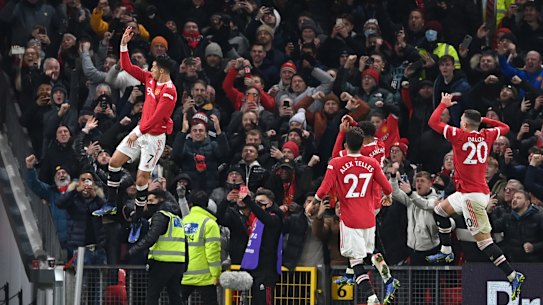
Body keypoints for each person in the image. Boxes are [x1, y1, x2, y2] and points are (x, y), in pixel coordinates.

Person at [426, 93, 525, 301]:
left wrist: (443, 104)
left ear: (464, 123)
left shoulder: (458, 135)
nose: (459, 122)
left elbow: (433, 122)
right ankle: (446, 250)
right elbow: (505, 128)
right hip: (465, 193)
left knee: (483, 242)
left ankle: (513, 276)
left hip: (473, 197)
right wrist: (485, 122)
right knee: (440, 211)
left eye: (461, 119)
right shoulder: (486, 136)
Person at [97, 26, 178, 243]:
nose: (150, 68)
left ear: (161, 69)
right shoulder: (151, 80)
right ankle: (112, 204)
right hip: (141, 130)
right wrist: (123, 44)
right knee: (114, 162)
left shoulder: (170, 92)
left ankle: (138, 219)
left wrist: (138, 132)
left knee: (142, 180)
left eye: (153, 66)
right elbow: (126, 66)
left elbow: (158, 118)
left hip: (154, 137)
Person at [313, 127, 394, 305]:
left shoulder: (341, 159)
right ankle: (387, 279)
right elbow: (388, 187)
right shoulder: (376, 150)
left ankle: (371, 296)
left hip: (352, 212)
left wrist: (341, 131)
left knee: (355, 257)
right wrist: (387, 195)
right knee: (370, 250)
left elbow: (335, 156)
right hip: (371, 207)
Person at [127, 189, 186, 305]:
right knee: (175, 297)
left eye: (151, 200)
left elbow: (151, 237)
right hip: (178, 263)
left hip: (162, 262)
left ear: (160, 201)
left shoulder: (160, 215)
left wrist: (133, 250)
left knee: (152, 296)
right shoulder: (177, 219)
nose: (148, 203)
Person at [239, 188, 283, 305]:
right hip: (255, 269)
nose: (258, 205)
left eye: (261, 202)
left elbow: (265, 217)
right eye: (256, 202)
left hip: (267, 272)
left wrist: (248, 201)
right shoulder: (256, 221)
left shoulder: (275, 218)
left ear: (270, 203)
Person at [180, 191, 221, 305]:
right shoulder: (210, 224)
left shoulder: (183, 222)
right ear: (207, 204)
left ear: (190, 204)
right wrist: (216, 275)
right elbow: (213, 252)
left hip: (183, 274)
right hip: (205, 277)